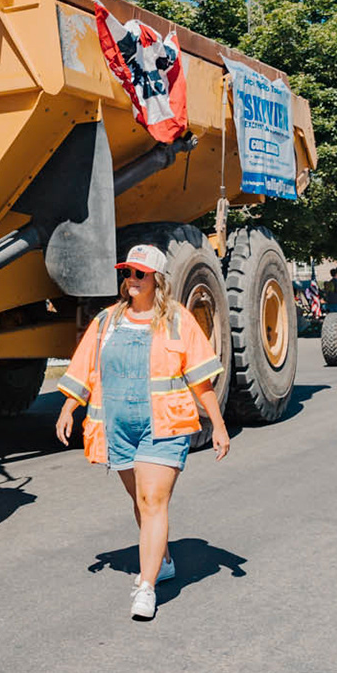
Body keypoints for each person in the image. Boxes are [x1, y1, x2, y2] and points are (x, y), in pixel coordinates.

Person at [54, 244, 231, 621]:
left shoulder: (179, 320)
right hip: (118, 427)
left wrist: (218, 424)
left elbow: (201, 379)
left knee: (153, 502)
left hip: (163, 425)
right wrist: (69, 407)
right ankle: (163, 559)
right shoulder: (107, 322)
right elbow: (85, 368)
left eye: (139, 274)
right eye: (127, 273)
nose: (130, 280)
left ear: (157, 280)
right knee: (140, 502)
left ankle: (146, 587)